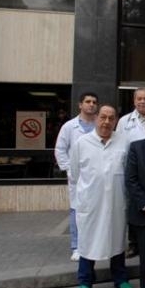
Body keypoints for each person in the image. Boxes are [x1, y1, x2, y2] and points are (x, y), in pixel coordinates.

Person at [69, 105, 133, 288]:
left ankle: (120, 278)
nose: (106, 122)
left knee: (117, 240)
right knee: (88, 241)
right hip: (91, 203)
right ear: (96, 118)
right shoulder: (82, 143)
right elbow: (75, 174)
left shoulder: (124, 141)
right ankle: (85, 281)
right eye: (103, 117)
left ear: (116, 121)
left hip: (116, 202)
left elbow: (128, 171)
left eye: (111, 118)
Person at [54, 91, 98, 262]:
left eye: (94, 102)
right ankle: (76, 246)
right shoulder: (69, 127)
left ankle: (93, 244)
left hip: (97, 176)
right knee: (77, 211)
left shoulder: (100, 124)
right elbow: (60, 149)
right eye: (88, 101)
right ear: (80, 105)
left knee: (95, 211)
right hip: (77, 177)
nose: (91, 104)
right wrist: (69, 169)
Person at [116, 88, 145, 258]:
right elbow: (118, 144)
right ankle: (133, 243)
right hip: (131, 169)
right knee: (134, 206)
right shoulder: (124, 121)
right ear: (134, 100)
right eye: (139, 98)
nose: (142, 101)